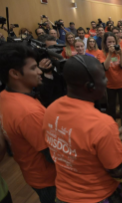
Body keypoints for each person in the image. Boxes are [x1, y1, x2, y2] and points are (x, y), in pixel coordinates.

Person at [43, 55, 122, 202]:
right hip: (98, 196)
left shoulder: (50, 110)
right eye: (103, 77)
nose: (106, 81)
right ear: (90, 86)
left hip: (63, 195)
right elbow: (118, 172)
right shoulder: (102, 124)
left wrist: (107, 141)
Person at [0, 44, 56, 203]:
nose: (39, 71)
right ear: (15, 73)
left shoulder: (4, 95)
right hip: (49, 180)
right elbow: (53, 155)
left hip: (31, 173)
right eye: (33, 68)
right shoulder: (29, 113)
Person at [98, 32, 122, 126]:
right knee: (111, 106)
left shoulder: (121, 51)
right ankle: (112, 124)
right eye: (109, 41)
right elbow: (105, 67)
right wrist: (110, 54)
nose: (111, 44)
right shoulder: (101, 53)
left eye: (113, 41)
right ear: (105, 43)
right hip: (110, 84)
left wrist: (121, 55)